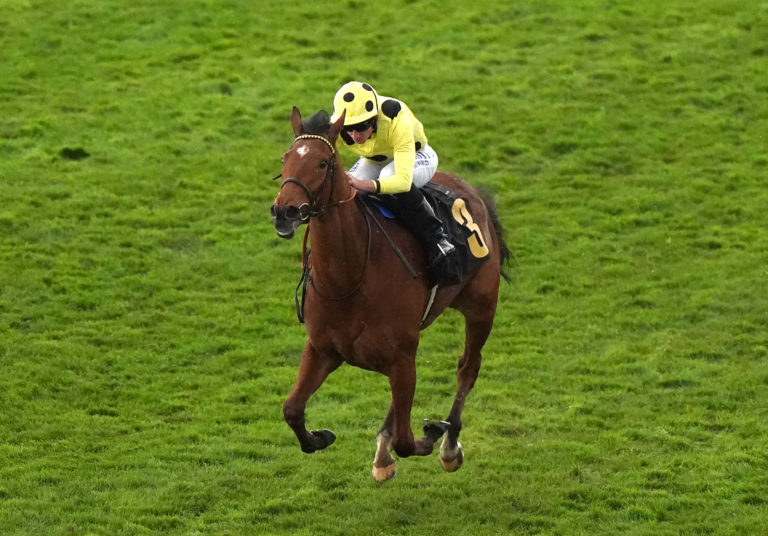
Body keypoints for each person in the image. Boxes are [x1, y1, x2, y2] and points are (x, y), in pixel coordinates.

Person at [331, 81, 456, 283]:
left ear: (374, 119)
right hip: (375, 159)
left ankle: (438, 239)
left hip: (417, 155)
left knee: (387, 176)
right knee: (347, 191)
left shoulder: (396, 118)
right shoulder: (339, 124)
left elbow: (403, 182)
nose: (354, 135)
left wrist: (364, 185)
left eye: (361, 127)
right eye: (348, 129)